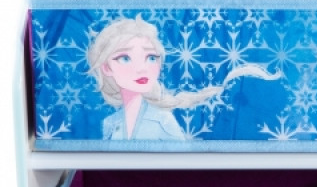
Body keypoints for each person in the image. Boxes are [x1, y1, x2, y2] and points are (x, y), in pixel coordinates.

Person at [87, 15, 280, 141]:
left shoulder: (163, 119)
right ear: (106, 67)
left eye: (151, 57)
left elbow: (182, 168)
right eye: (125, 58)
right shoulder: (110, 123)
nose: (141, 68)